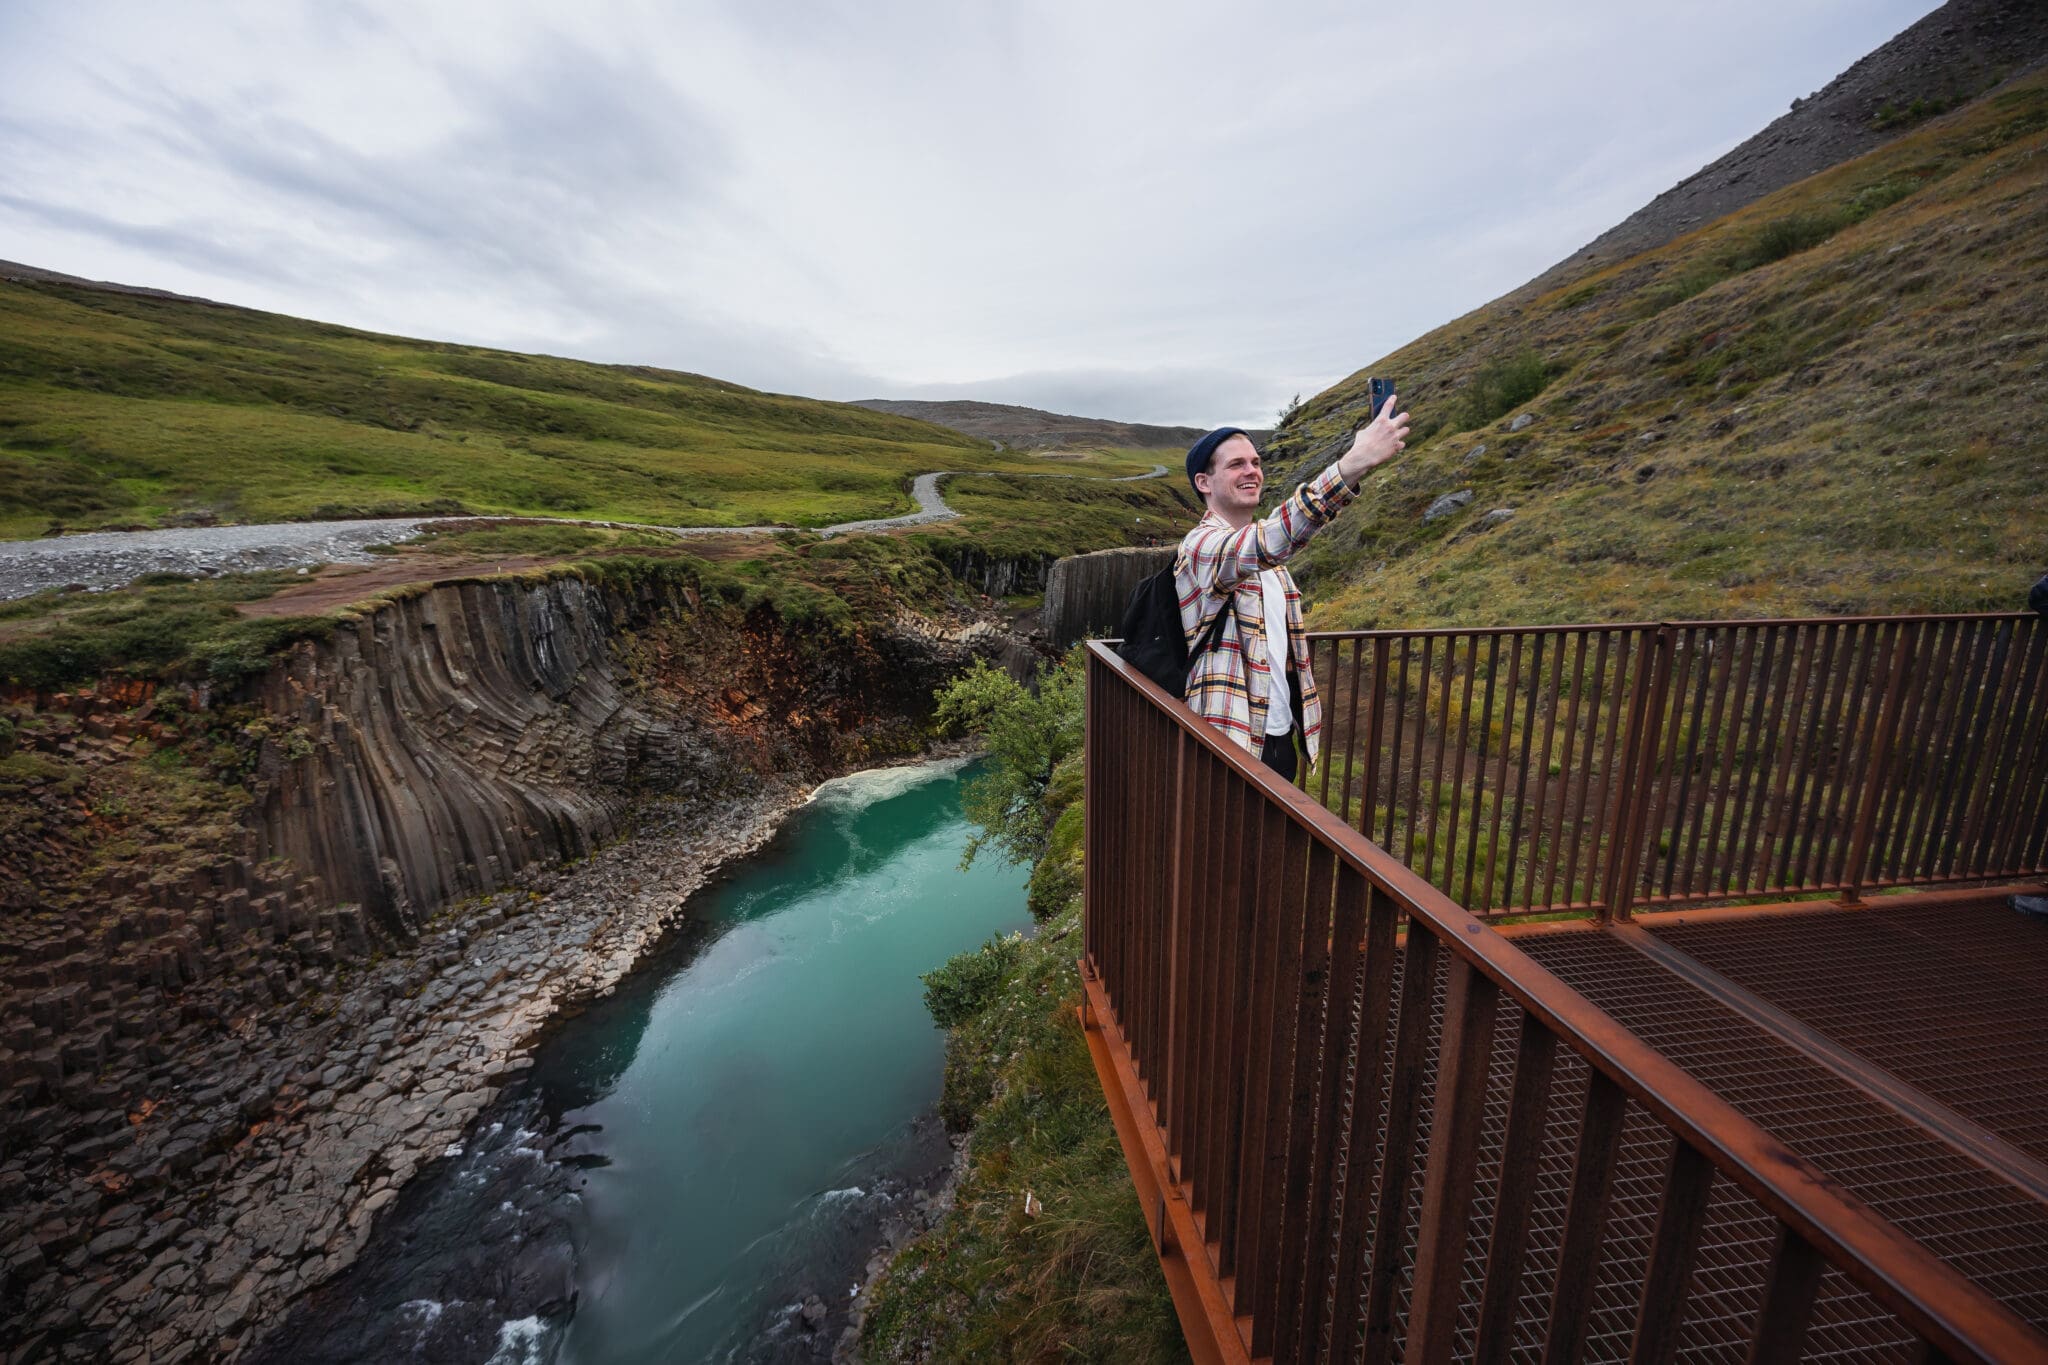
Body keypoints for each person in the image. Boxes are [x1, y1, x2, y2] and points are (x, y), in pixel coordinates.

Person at [1176, 395, 1410, 780]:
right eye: (1236, 464)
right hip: (1229, 740)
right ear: (1204, 482)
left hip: (1279, 736)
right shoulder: (1201, 546)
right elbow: (1273, 538)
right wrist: (1352, 465)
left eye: (1256, 462)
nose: (1252, 471)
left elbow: (1274, 537)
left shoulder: (1271, 563)